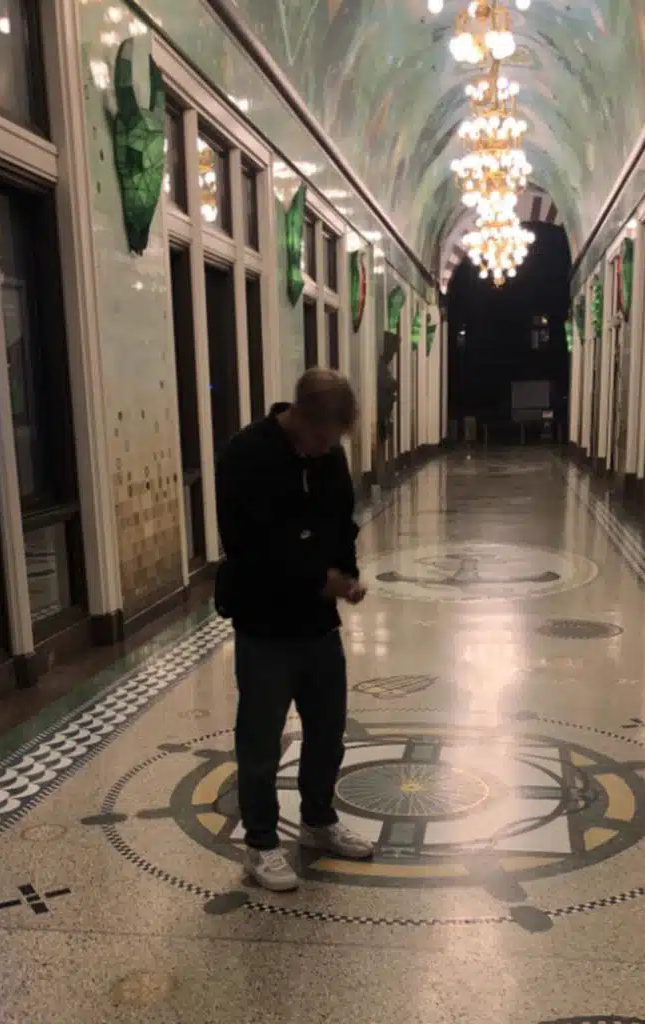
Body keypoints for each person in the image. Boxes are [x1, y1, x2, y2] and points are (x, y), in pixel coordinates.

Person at [214, 368, 374, 892]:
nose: (328, 448)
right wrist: (318, 578)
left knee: (328, 732)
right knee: (261, 741)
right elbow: (251, 545)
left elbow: (341, 522)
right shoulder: (246, 455)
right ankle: (261, 843)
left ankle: (318, 821)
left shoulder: (330, 457)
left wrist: (346, 574)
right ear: (299, 416)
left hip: (318, 624)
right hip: (264, 624)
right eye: (323, 437)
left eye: (334, 440)